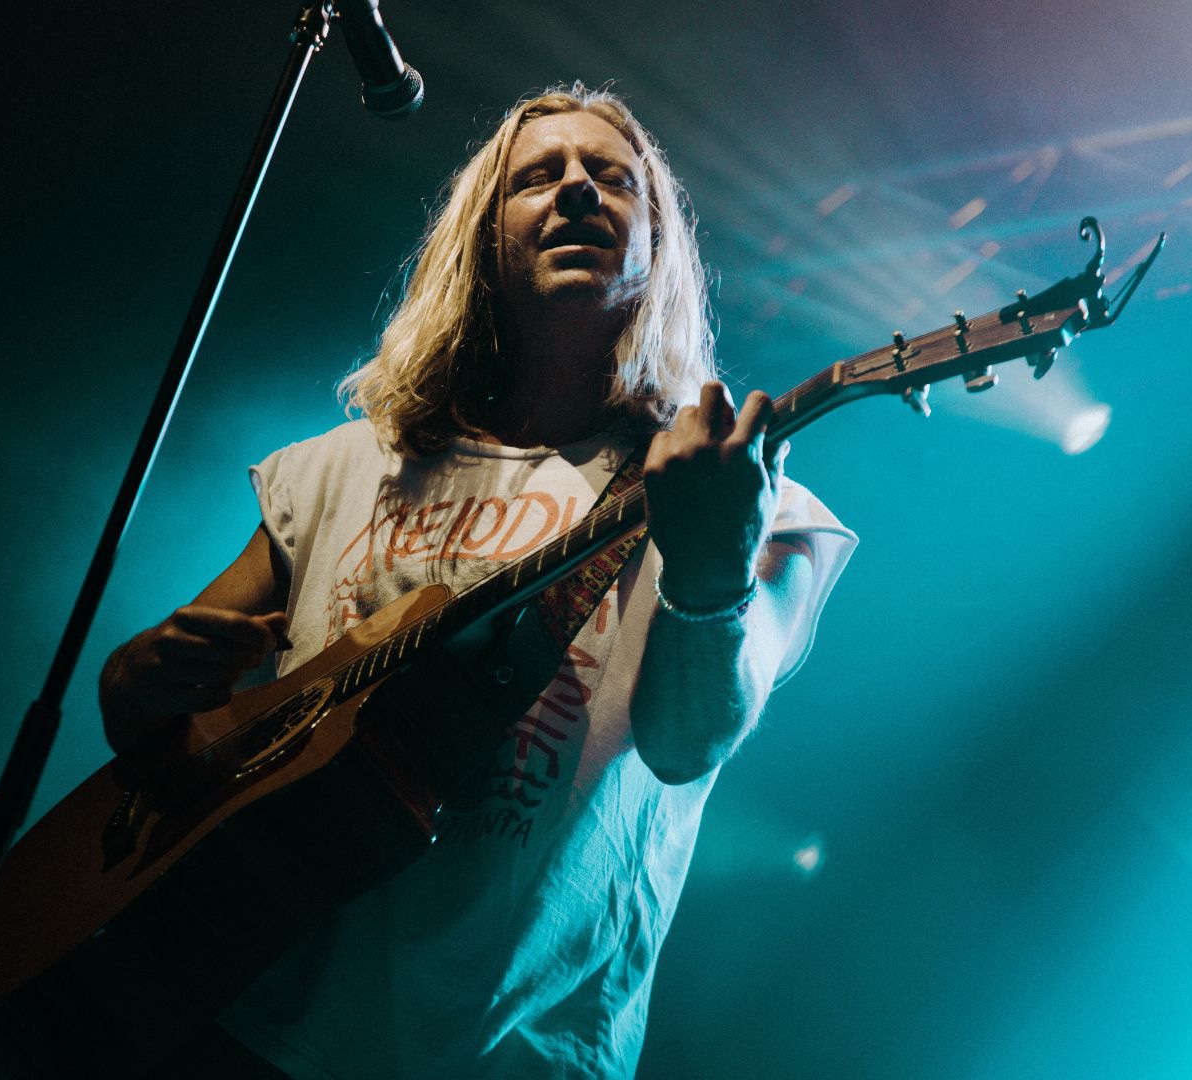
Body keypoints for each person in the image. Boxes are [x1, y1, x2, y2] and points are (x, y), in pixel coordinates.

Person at [98, 84, 856, 1079]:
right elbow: (163, 715)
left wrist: (715, 563)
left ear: (658, 243)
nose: (577, 190)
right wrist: (130, 682)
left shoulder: (746, 498)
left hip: (512, 1054)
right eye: (539, 176)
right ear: (481, 239)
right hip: (244, 1017)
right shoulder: (342, 468)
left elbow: (687, 741)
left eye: (611, 178)